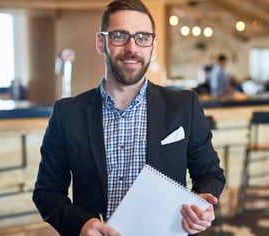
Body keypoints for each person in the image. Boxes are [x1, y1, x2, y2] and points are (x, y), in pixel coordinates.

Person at [32, 1, 226, 236]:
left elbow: (210, 174)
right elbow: (47, 192)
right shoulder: (67, 113)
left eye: (142, 37)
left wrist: (202, 203)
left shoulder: (185, 106)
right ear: (101, 43)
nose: (132, 47)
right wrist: (81, 224)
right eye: (119, 36)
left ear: (153, 45)